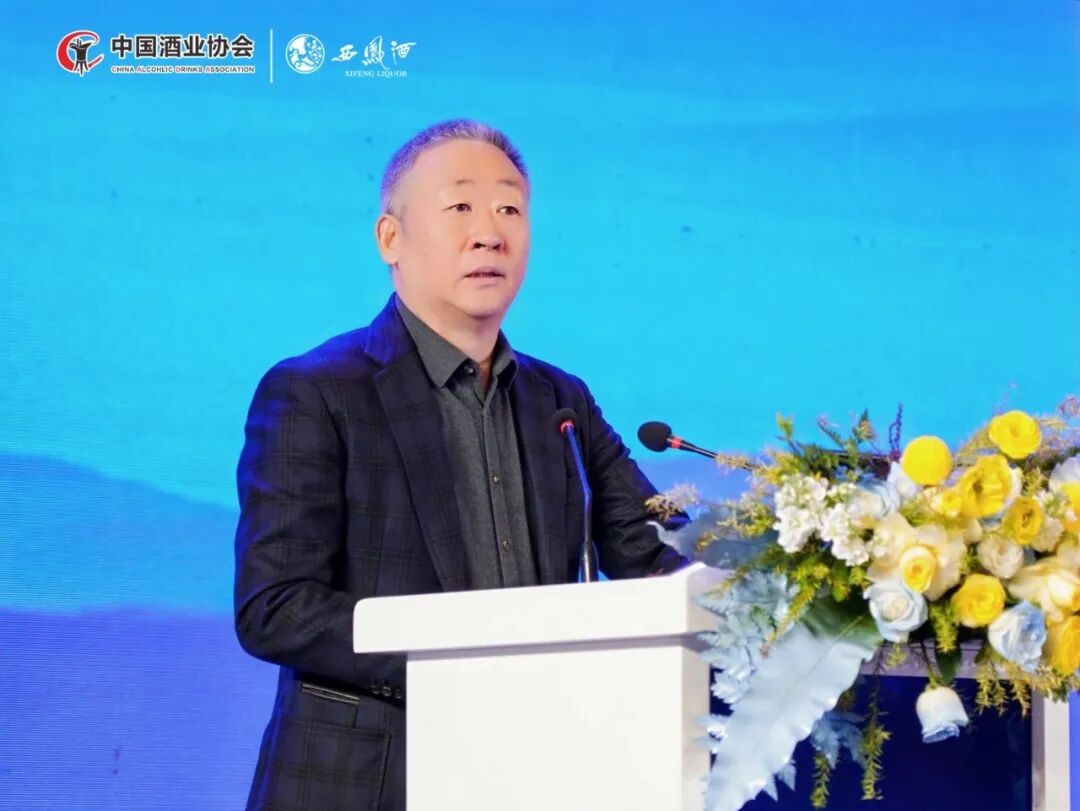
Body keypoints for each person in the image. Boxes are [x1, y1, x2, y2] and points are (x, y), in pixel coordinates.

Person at [233, 118, 688, 811]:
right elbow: (276, 607)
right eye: (460, 207)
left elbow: (654, 558)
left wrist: (787, 569)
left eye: (509, 209)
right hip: (370, 779)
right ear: (391, 238)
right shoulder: (315, 391)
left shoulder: (561, 401)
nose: (489, 233)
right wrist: (471, 662)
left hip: (539, 771)